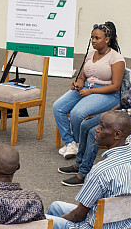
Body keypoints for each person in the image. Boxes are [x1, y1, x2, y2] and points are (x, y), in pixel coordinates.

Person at [59, 40, 131, 186]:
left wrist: (124, 113)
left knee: (94, 132)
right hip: (123, 113)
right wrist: (112, 112)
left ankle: (83, 174)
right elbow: (128, 98)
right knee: (86, 125)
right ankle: (78, 164)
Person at [53, 22, 125, 159]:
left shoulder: (116, 58)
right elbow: (82, 77)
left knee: (77, 113)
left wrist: (91, 92)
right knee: (58, 107)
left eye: (97, 38)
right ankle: (70, 143)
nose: (93, 41)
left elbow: (116, 86)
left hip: (108, 94)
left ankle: (79, 144)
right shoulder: (91, 54)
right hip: (86, 89)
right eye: (92, 37)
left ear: (107, 39)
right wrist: (78, 84)